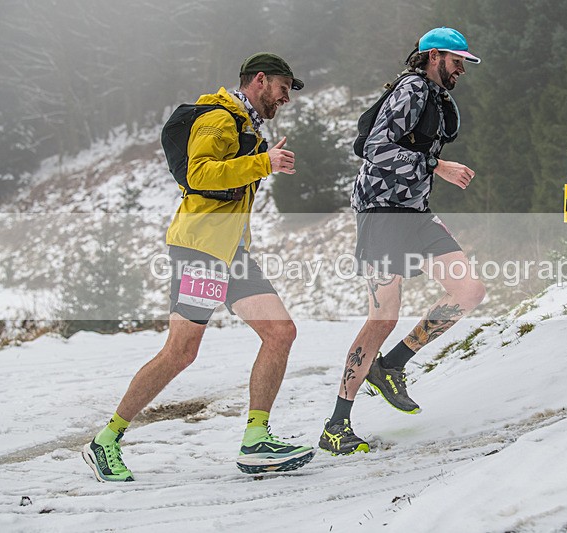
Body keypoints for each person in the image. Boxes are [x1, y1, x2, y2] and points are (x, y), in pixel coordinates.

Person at [83, 53, 315, 481]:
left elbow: (229, 177)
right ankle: (106, 440)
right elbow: (200, 173)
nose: (286, 98)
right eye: (283, 88)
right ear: (260, 81)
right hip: (202, 252)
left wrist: (261, 157)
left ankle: (256, 439)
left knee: (281, 331)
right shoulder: (219, 118)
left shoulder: (245, 126)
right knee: (181, 352)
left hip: (229, 254)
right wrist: (264, 163)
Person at [319, 28, 487, 455]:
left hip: (415, 212)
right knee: (382, 317)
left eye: (464, 62)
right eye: (457, 60)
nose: (462, 69)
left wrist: (431, 170)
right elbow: (375, 149)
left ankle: (392, 364)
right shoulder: (412, 89)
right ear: (434, 57)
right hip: (382, 213)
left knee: (469, 290)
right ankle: (336, 425)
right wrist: (439, 165)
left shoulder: (435, 96)